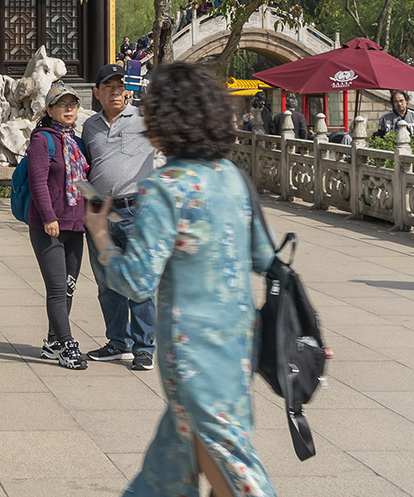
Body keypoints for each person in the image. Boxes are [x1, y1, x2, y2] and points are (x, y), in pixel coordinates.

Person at [84, 63, 275, 495]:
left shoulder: (166, 187)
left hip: (192, 353)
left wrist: (101, 237)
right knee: (170, 464)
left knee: (230, 463)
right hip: (239, 342)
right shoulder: (232, 177)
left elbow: (134, 282)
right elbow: (265, 256)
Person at [80, 67, 158, 369]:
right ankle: (117, 342)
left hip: (137, 208)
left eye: (120, 86)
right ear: (96, 92)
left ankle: (143, 346)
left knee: (139, 279)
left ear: (128, 90)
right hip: (100, 211)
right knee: (107, 281)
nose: (115, 91)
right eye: (107, 86)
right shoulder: (89, 127)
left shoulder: (143, 119)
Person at [24, 80, 92, 370]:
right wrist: (49, 216)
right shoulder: (42, 140)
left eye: (73, 104)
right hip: (48, 226)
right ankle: (67, 345)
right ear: (49, 108)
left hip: (76, 225)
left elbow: (83, 182)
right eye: (62, 104)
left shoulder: (76, 143)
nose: (69, 108)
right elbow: (38, 182)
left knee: (68, 287)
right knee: (55, 288)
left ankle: (52, 343)